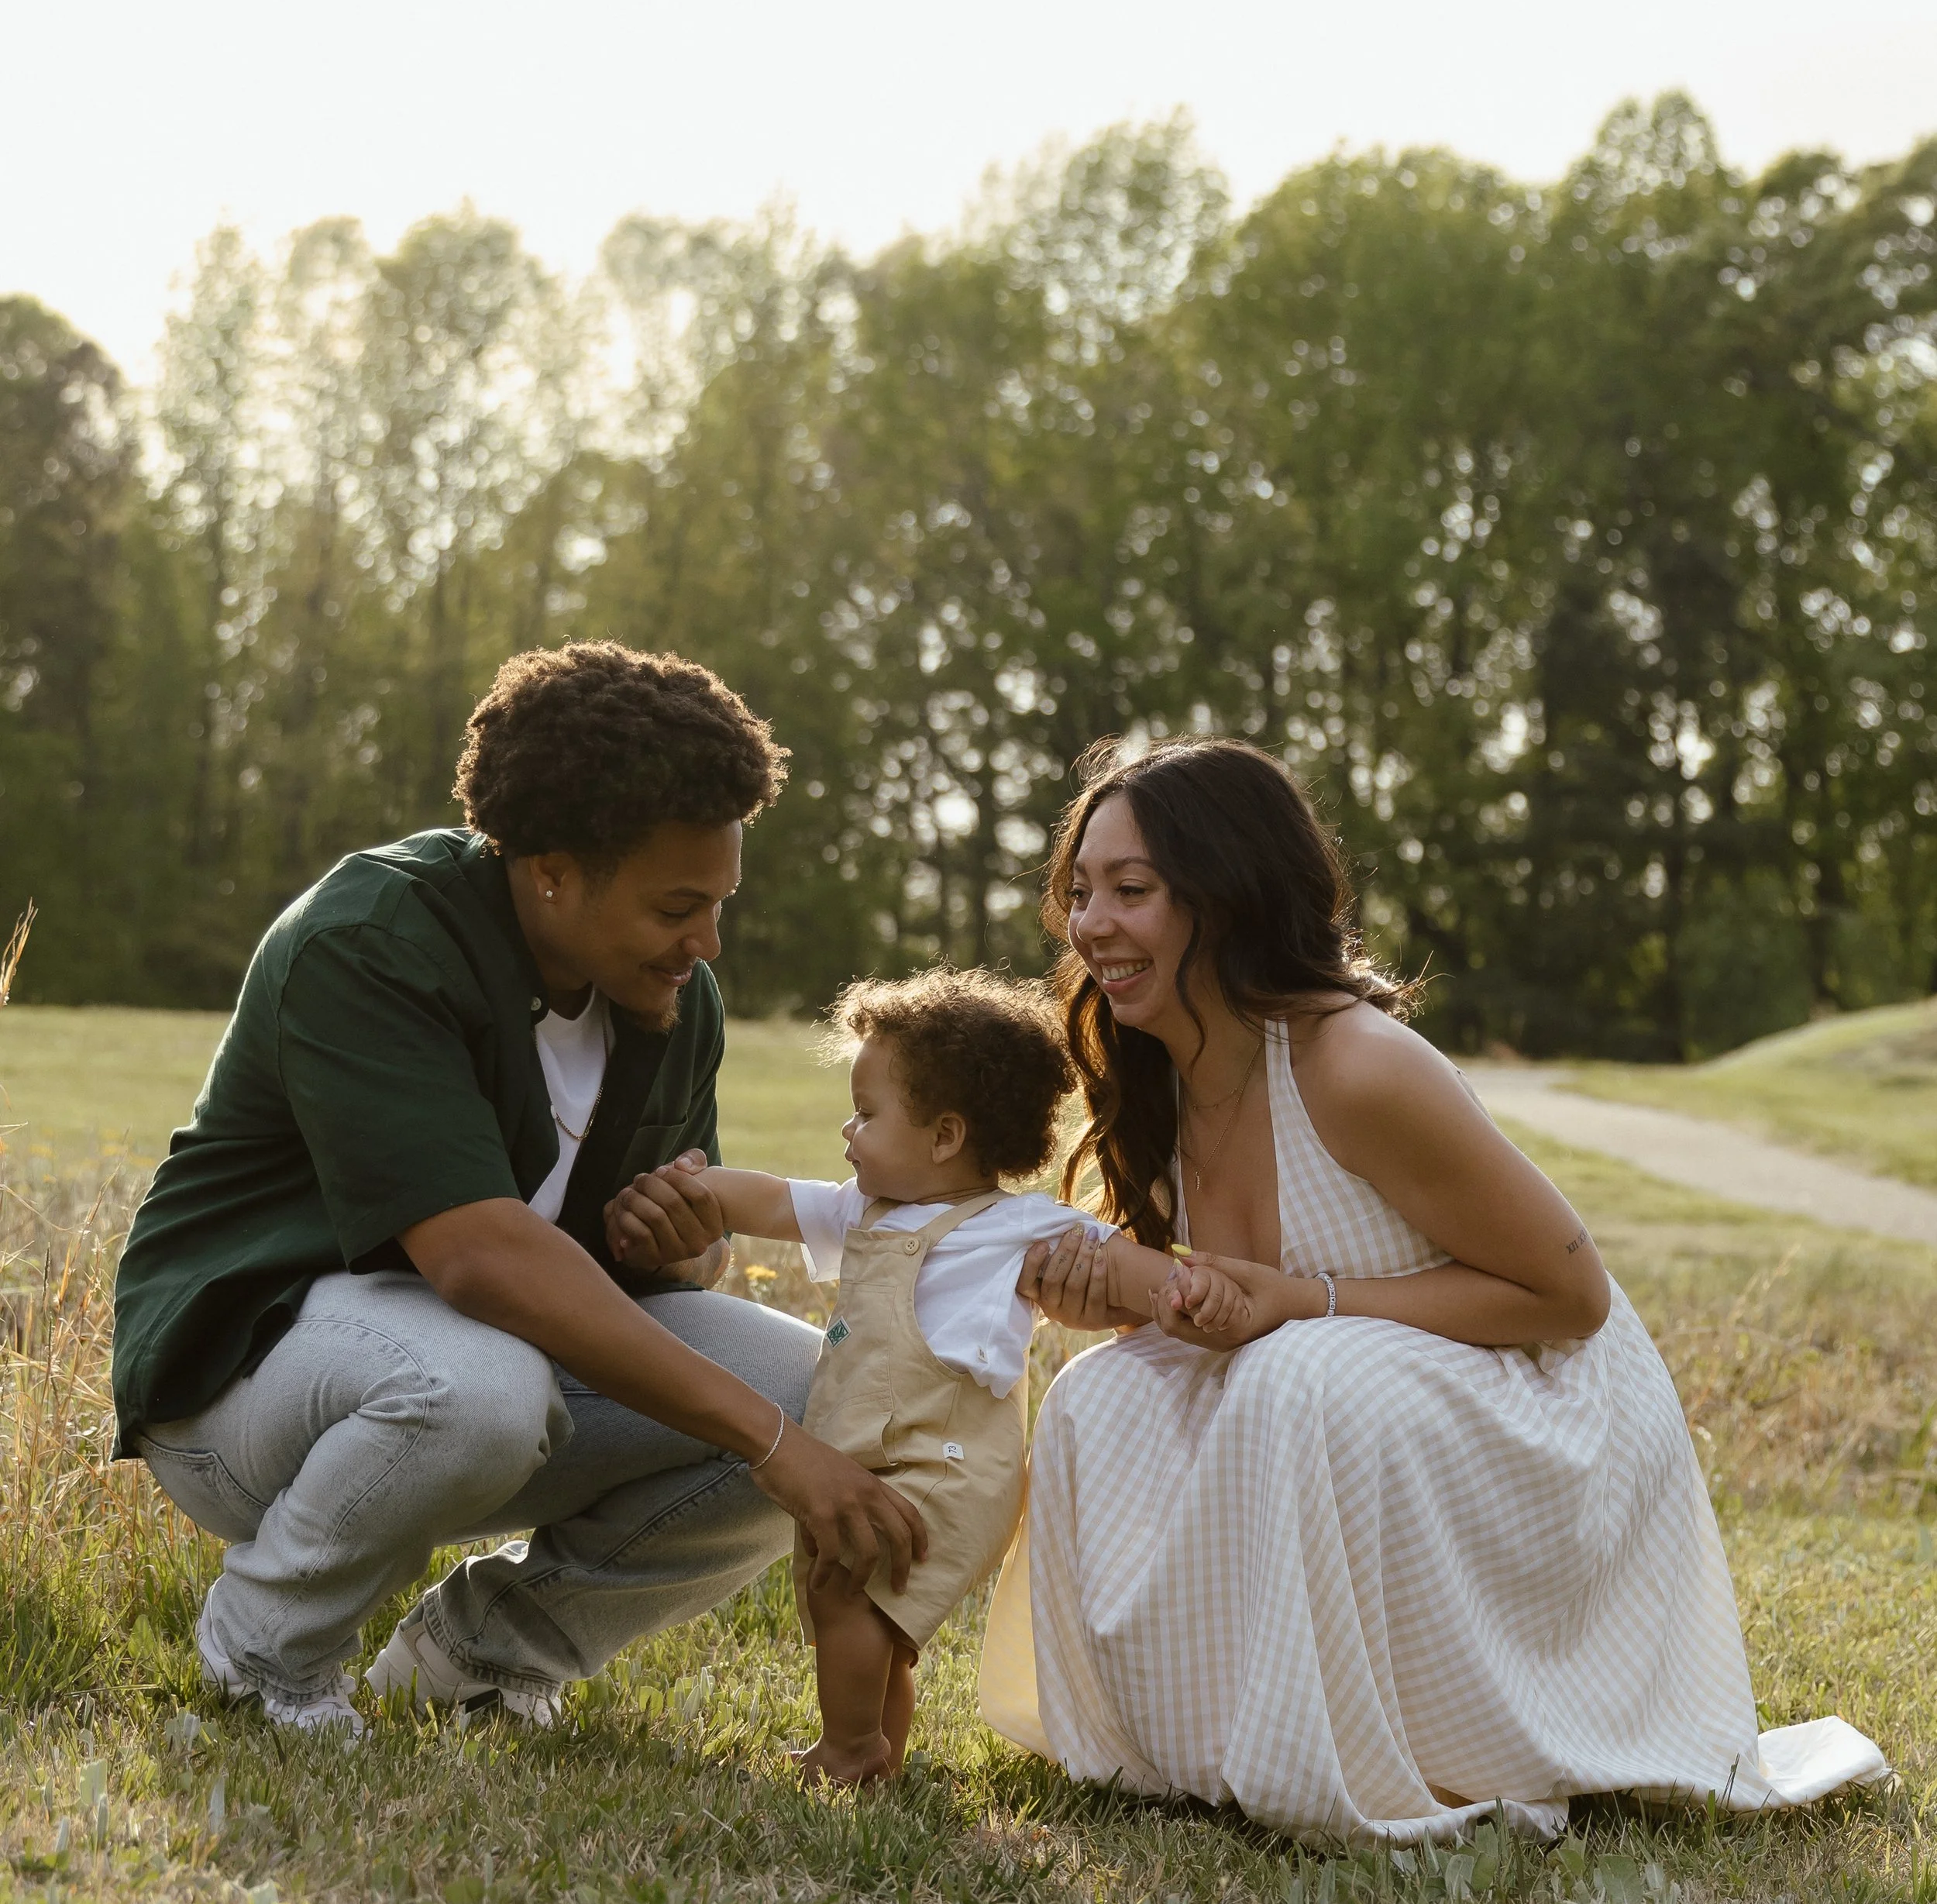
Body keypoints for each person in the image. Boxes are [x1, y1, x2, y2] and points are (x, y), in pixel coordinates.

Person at [979, 736, 1884, 1840]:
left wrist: (1300, 1305)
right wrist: (1117, 1296)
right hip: (1362, 1387)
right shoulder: (1157, 1069)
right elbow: (1231, 1300)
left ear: (1230, 897)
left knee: (1293, 1376)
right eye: (1080, 893)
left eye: (1134, 890)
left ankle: (1407, 1755)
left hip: (1540, 1407)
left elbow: (1572, 1299)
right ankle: (1192, 1750)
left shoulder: (1353, 1067)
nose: (1092, 926)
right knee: (1100, 1395)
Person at [112, 643, 927, 1737]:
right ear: (550, 869)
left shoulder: (674, 996)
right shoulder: (369, 940)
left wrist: (684, 1246)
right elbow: (482, 1258)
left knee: (832, 1394)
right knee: (486, 1390)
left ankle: (477, 1661)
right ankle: (262, 1660)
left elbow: (670, 1270)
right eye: (678, 904)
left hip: (489, 1384)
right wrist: (777, 1451)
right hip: (246, 1389)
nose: (708, 940)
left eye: (721, 901)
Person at [611, 967, 1244, 1782]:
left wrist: (1193, 1291)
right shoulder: (863, 1209)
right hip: (873, 1454)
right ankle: (880, 1755)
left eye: (868, 1114)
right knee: (872, 1625)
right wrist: (689, 1189)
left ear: (946, 1136)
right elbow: (768, 1200)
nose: (848, 1130)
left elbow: (1130, 1275)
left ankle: (845, 1753)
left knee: (850, 1597)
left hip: (945, 1464)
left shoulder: (1019, 1227)